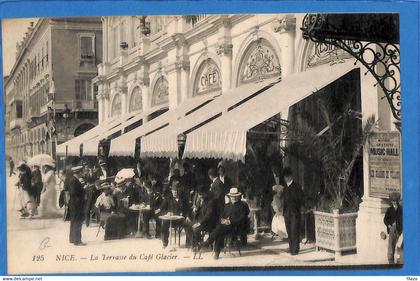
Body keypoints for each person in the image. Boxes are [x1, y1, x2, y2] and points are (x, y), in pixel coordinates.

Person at [199, 187, 250, 259]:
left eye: (235, 196)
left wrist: (230, 222)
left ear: (238, 196)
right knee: (220, 230)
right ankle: (216, 252)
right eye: (232, 196)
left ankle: (209, 243)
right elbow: (221, 216)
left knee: (220, 229)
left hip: (238, 227)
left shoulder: (243, 205)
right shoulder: (227, 206)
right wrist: (223, 220)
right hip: (226, 227)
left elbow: (243, 219)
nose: (234, 198)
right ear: (230, 196)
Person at [156, 180, 192, 248]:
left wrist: (187, 216)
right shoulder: (168, 198)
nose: (175, 192)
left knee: (188, 225)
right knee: (164, 226)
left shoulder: (183, 199)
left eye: (177, 191)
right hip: (170, 220)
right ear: (171, 191)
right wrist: (167, 213)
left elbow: (188, 209)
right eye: (174, 191)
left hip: (180, 220)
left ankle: (189, 243)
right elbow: (161, 208)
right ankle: (165, 243)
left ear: (180, 191)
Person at [282, 167, 305, 255]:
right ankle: (291, 248)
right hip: (286, 212)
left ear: (291, 176)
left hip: (295, 212)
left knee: (294, 230)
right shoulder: (285, 187)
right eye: (285, 177)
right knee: (288, 230)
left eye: (287, 176)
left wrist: (299, 207)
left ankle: (295, 249)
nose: (286, 178)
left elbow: (301, 199)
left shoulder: (297, 186)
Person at [68, 166, 87, 246]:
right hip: (77, 204)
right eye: (82, 172)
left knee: (74, 221)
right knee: (78, 222)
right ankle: (77, 241)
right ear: (78, 172)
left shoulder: (73, 179)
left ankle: (72, 239)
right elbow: (73, 193)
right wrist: (83, 192)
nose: (82, 173)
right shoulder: (74, 181)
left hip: (74, 204)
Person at [383, 192, 403, 264]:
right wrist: (388, 225)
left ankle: (399, 262)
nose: (394, 202)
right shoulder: (389, 209)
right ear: (391, 201)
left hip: (399, 230)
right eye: (392, 201)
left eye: (395, 201)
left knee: (399, 246)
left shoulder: (401, 209)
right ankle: (391, 262)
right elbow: (385, 219)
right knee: (391, 247)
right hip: (391, 230)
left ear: (397, 201)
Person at [271, 169, 287, 239]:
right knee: (277, 220)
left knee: (282, 220)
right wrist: (277, 210)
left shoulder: (283, 196)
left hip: (282, 210)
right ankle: (279, 234)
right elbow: (275, 205)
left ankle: (283, 235)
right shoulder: (275, 196)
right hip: (278, 210)